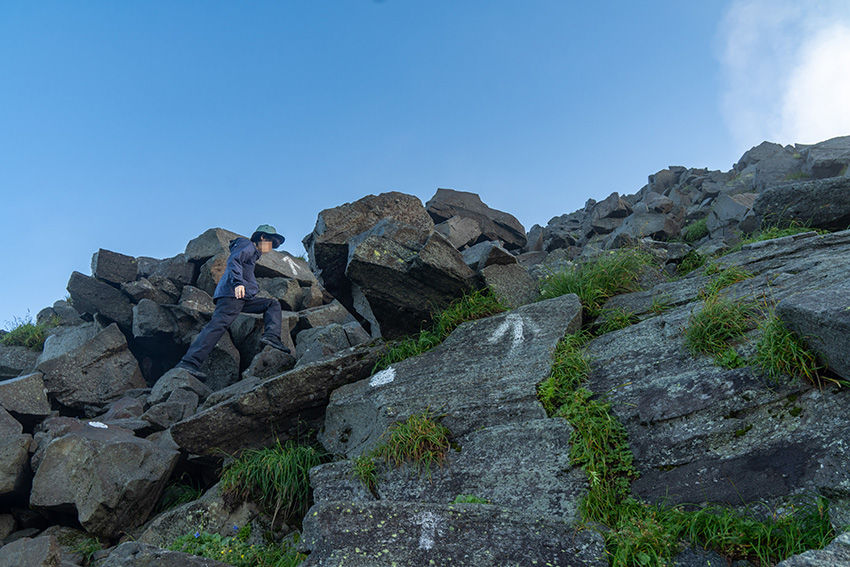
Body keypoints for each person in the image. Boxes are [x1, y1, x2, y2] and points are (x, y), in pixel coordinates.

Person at [175, 224, 290, 381]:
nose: (271, 248)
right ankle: (188, 362)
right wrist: (238, 283)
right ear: (262, 238)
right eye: (271, 243)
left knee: (272, 304)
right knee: (217, 326)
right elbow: (233, 261)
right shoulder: (246, 245)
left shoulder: (253, 253)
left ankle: (271, 337)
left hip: (242, 298)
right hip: (233, 294)